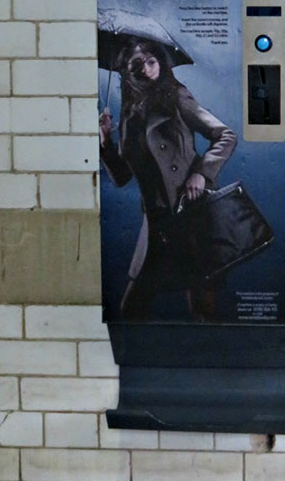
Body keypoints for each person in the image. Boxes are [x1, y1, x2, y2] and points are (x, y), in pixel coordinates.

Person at [99, 37, 236, 320]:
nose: (146, 68)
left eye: (151, 61)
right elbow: (122, 177)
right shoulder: (129, 115)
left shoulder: (177, 97)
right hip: (157, 223)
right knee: (131, 310)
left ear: (160, 63)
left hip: (190, 214)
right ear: (125, 69)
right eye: (136, 63)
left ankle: (211, 362)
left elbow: (225, 135)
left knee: (202, 307)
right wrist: (105, 144)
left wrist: (201, 173)